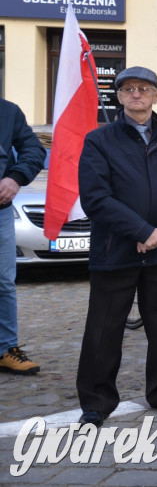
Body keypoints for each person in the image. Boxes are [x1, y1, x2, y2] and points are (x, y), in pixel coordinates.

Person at [76, 67, 157, 427]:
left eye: (144, 89)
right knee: (104, 327)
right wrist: (141, 230)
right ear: (118, 97)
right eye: (129, 89)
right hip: (116, 248)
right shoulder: (99, 140)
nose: (137, 95)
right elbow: (95, 198)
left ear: (156, 96)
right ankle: (97, 401)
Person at [0, 99, 45, 375]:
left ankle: (6, 349)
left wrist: (15, 178)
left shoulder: (8, 112)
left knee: (3, 283)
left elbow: (33, 149)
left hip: (1, 211)